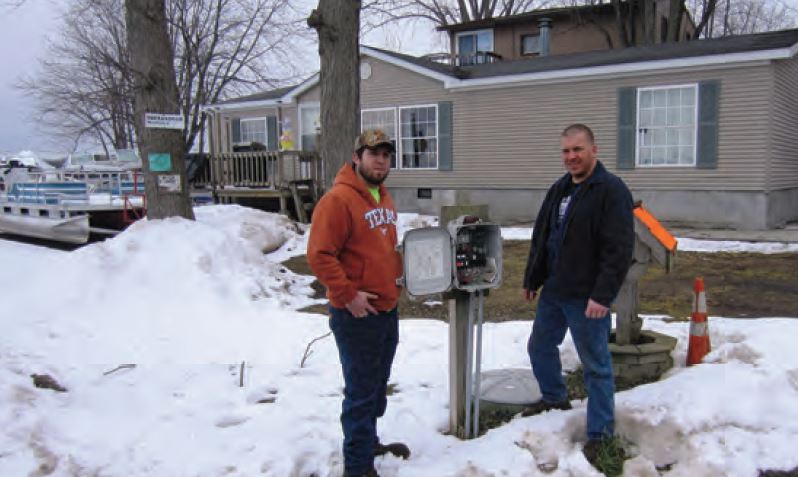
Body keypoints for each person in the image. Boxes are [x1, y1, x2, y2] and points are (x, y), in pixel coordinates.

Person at [521, 124, 634, 463]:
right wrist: (532, 277)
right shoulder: (559, 189)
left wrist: (603, 295)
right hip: (555, 289)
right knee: (539, 346)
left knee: (596, 365)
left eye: (577, 150)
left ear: (594, 150)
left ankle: (601, 434)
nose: (571, 157)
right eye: (566, 151)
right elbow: (543, 236)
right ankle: (555, 397)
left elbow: (619, 248)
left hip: (587, 296)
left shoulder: (610, 190)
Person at [307, 129, 410, 477]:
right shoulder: (338, 200)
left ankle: (368, 442)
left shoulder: (382, 196)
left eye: (386, 154)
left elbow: (383, 249)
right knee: (362, 390)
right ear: (357, 157)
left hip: (386, 309)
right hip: (357, 315)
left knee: (377, 385)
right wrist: (348, 295)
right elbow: (319, 256)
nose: (381, 160)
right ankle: (357, 465)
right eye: (373, 153)